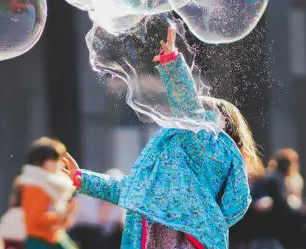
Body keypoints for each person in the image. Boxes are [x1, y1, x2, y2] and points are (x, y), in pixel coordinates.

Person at [61, 27, 259, 249]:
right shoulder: (181, 163)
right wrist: (82, 179)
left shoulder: (208, 148)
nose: (184, 119)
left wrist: (172, 63)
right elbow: (132, 190)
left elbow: (189, 109)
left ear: (215, 124)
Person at [20, 137, 78, 249]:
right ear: (41, 161)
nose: (60, 164)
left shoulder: (51, 183)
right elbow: (36, 218)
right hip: (40, 241)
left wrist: (67, 215)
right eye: (55, 159)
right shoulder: (33, 184)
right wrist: (63, 215)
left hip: (53, 238)